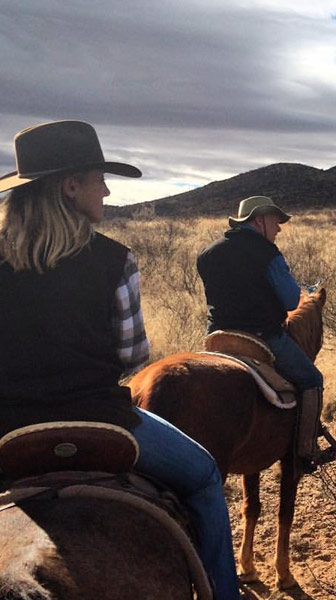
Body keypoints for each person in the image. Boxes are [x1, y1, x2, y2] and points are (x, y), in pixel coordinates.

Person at [0, 120, 241, 600]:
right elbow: (133, 355)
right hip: (101, 420)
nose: (107, 191)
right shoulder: (114, 259)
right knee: (204, 478)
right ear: (71, 186)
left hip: (7, 426)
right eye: (98, 178)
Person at [196, 196, 331, 474]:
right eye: (275, 222)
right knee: (312, 379)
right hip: (262, 336)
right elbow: (293, 301)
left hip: (217, 336)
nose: (279, 228)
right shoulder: (269, 254)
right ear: (259, 220)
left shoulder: (208, 253)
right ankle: (306, 449)